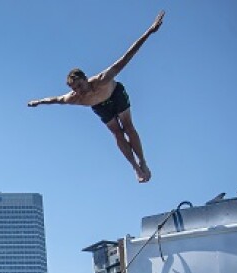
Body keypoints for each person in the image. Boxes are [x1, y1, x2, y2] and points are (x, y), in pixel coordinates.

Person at [27, 10, 165, 183]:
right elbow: (54, 99)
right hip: (100, 106)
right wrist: (38, 102)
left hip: (115, 94)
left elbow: (127, 56)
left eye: (79, 85)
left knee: (128, 126)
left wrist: (149, 31)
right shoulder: (74, 98)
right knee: (117, 133)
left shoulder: (102, 79)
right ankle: (135, 168)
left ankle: (143, 162)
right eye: (74, 89)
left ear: (85, 79)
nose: (79, 91)